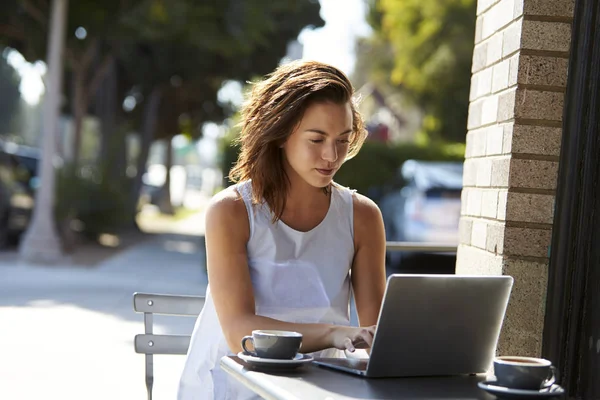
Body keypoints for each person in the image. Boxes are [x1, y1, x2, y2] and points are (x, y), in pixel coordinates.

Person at [178, 60, 387, 400]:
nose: (331, 155)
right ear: (280, 133)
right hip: (235, 383)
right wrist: (334, 333)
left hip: (321, 387)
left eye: (343, 140)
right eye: (316, 139)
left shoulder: (362, 217)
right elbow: (238, 333)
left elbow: (376, 336)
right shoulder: (231, 211)